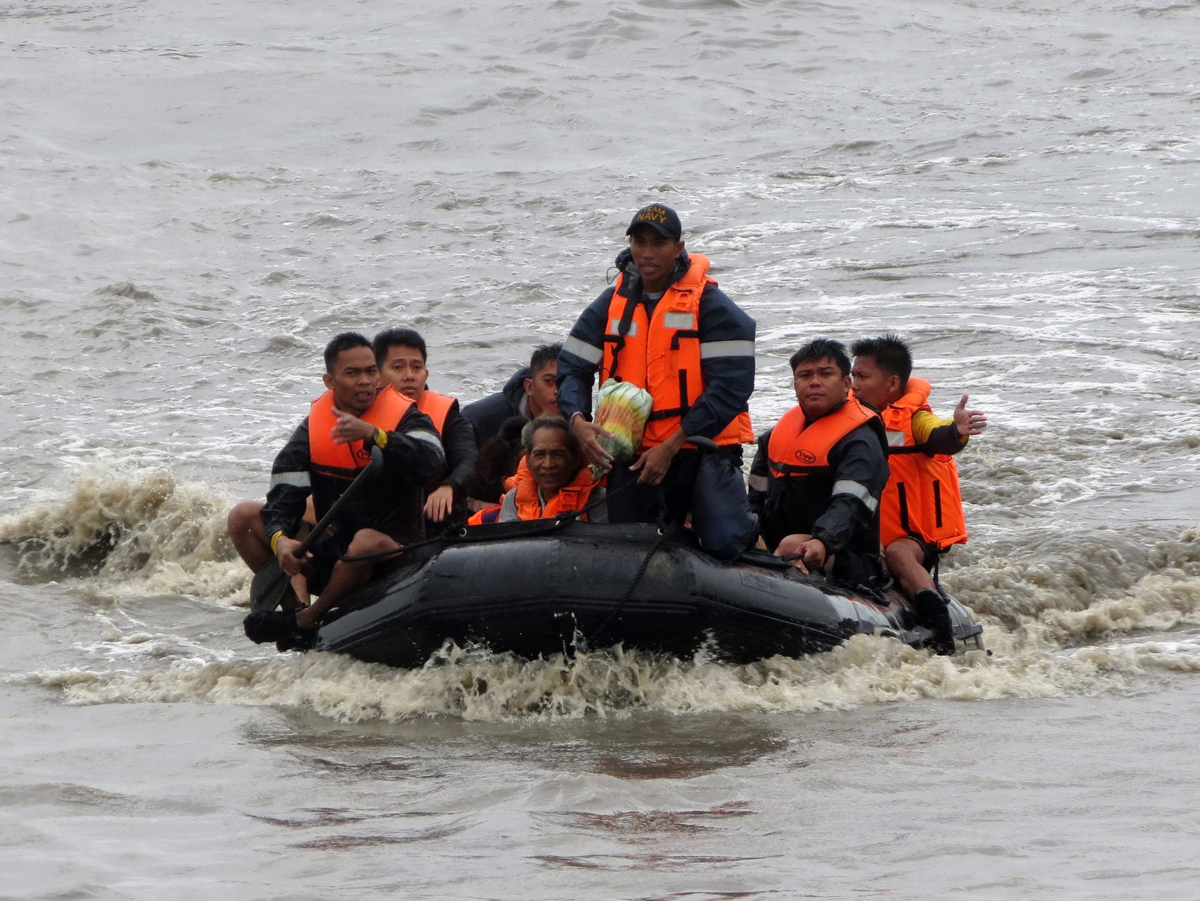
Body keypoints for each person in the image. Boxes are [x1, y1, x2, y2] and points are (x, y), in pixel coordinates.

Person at [557, 203, 757, 560]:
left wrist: (673, 443)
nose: (647, 253)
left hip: (698, 447)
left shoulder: (711, 306)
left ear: (679, 249)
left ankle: (752, 536)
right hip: (632, 453)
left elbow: (732, 386)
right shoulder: (610, 303)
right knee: (629, 552)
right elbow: (572, 367)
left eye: (659, 243)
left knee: (726, 542)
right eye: (640, 241)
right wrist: (578, 422)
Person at [232, 332, 446, 642]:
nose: (364, 381)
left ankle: (309, 619)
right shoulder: (313, 428)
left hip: (395, 554)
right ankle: (296, 611)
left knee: (366, 541)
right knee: (243, 517)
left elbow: (432, 460)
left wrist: (376, 435)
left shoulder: (406, 416)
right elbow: (283, 495)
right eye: (352, 373)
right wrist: (280, 540)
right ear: (330, 381)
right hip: (336, 551)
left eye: (371, 371)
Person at [849, 334, 987, 653]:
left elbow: (939, 437)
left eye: (863, 377)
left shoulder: (915, 418)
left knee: (898, 554)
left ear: (893, 383)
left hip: (911, 536)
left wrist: (957, 430)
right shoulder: (845, 417)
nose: (854, 384)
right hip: (861, 532)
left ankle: (938, 628)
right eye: (853, 375)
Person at [748, 339, 889, 588]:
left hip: (844, 551)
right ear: (795, 385)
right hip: (777, 541)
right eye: (805, 375)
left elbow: (850, 506)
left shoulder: (861, 442)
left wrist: (823, 541)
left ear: (846, 383)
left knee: (792, 544)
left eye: (825, 374)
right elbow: (755, 498)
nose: (814, 381)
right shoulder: (773, 438)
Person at [373, 327, 479, 528]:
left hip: (434, 524)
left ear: (426, 373)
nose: (409, 376)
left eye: (416, 367)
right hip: (378, 520)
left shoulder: (448, 415)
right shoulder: (359, 414)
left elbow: (469, 460)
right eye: (398, 368)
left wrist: (450, 486)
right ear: (376, 375)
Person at [470, 416, 607, 524]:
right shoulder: (513, 500)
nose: (548, 464)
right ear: (528, 461)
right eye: (539, 454)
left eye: (558, 454)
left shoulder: (596, 499)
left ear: (575, 460)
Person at [461, 343, 562, 446]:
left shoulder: (578, 420)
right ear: (529, 387)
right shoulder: (478, 419)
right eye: (549, 381)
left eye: (565, 382)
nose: (558, 391)